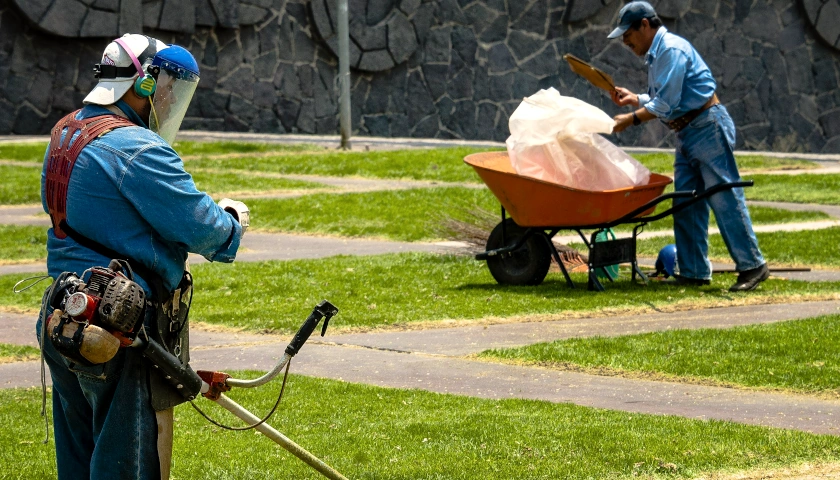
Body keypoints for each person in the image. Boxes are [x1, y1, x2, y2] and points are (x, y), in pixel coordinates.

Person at [37, 34, 249, 479]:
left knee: (77, 459)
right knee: (126, 465)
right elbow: (206, 230)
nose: (171, 97)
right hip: (119, 326)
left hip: (62, 314)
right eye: (168, 84)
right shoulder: (138, 148)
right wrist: (233, 219)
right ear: (145, 83)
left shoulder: (66, 130)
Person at [608, 1, 769, 292]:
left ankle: (753, 266)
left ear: (644, 25)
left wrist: (631, 119)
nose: (625, 41)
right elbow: (668, 97)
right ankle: (694, 271)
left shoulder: (670, 49)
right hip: (687, 132)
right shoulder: (657, 54)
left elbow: (666, 104)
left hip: (707, 126)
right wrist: (637, 99)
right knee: (686, 203)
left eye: (627, 33)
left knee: (725, 198)